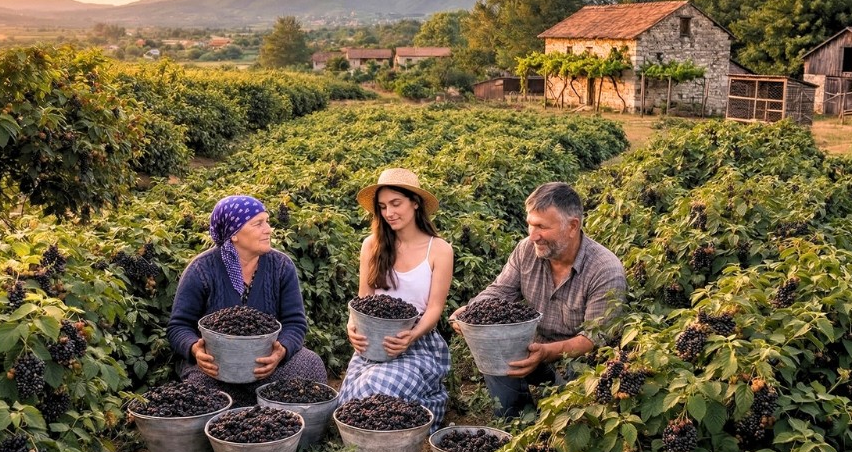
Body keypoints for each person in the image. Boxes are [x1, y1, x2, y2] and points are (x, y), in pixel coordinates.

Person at [453, 182, 626, 419]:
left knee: (578, 401)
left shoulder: (604, 269)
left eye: (541, 227)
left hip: (578, 360)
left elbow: (593, 340)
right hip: (531, 349)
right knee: (492, 347)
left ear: (572, 226)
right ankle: (514, 417)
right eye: (530, 225)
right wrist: (469, 312)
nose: (533, 236)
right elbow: (499, 292)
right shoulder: (526, 251)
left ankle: (558, 416)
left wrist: (546, 353)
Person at [167, 194, 327, 405]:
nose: (268, 229)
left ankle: (253, 404)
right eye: (258, 224)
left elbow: (295, 323)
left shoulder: (280, 266)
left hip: (265, 364)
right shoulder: (202, 270)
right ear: (234, 234)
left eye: (267, 221)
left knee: (311, 364)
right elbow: (178, 326)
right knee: (200, 392)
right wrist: (194, 349)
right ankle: (259, 404)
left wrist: (282, 350)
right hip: (218, 367)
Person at [337, 169, 453, 431]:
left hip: (418, 342)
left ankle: (422, 407)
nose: (389, 213)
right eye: (383, 207)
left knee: (378, 388)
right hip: (374, 342)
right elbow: (363, 299)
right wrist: (351, 326)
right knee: (352, 402)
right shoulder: (372, 245)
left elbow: (434, 309)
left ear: (415, 202)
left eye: (396, 203)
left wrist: (410, 337)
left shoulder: (439, 250)